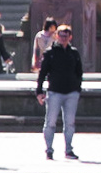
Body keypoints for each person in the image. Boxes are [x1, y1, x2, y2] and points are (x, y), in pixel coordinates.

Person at [34, 22, 84, 160]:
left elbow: (79, 72)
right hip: (54, 91)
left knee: (70, 123)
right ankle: (49, 149)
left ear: (70, 37)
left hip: (71, 92)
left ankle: (68, 149)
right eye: (61, 36)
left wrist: (77, 89)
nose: (63, 38)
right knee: (50, 122)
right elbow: (42, 73)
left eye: (66, 36)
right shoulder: (50, 53)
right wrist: (39, 91)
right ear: (56, 36)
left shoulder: (74, 53)